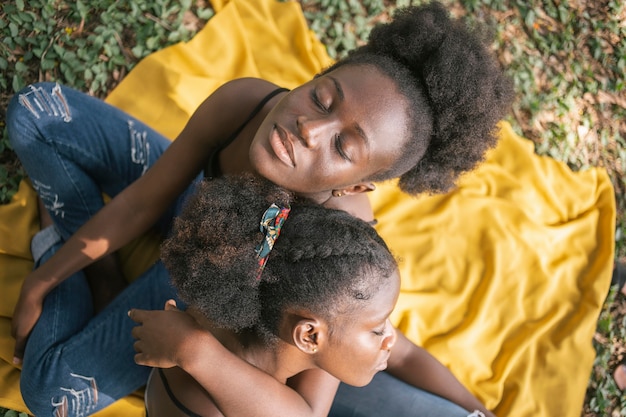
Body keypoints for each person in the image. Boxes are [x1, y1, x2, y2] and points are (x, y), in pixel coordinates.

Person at [6, 2, 511, 416]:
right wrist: (44, 280)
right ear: (316, 76)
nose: (309, 129)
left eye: (342, 147)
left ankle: (87, 258)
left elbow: (305, 407)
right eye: (322, 98)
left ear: (359, 185)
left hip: (201, 284)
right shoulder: (247, 103)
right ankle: (96, 270)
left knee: (50, 392)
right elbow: (146, 199)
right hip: (192, 208)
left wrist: (191, 346)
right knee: (35, 113)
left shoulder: (338, 244)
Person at [130, 173, 490, 417]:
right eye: (378, 329)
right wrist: (194, 352)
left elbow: (405, 355)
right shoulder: (199, 401)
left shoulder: (312, 316)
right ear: (309, 335)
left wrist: (479, 410)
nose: (390, 339)